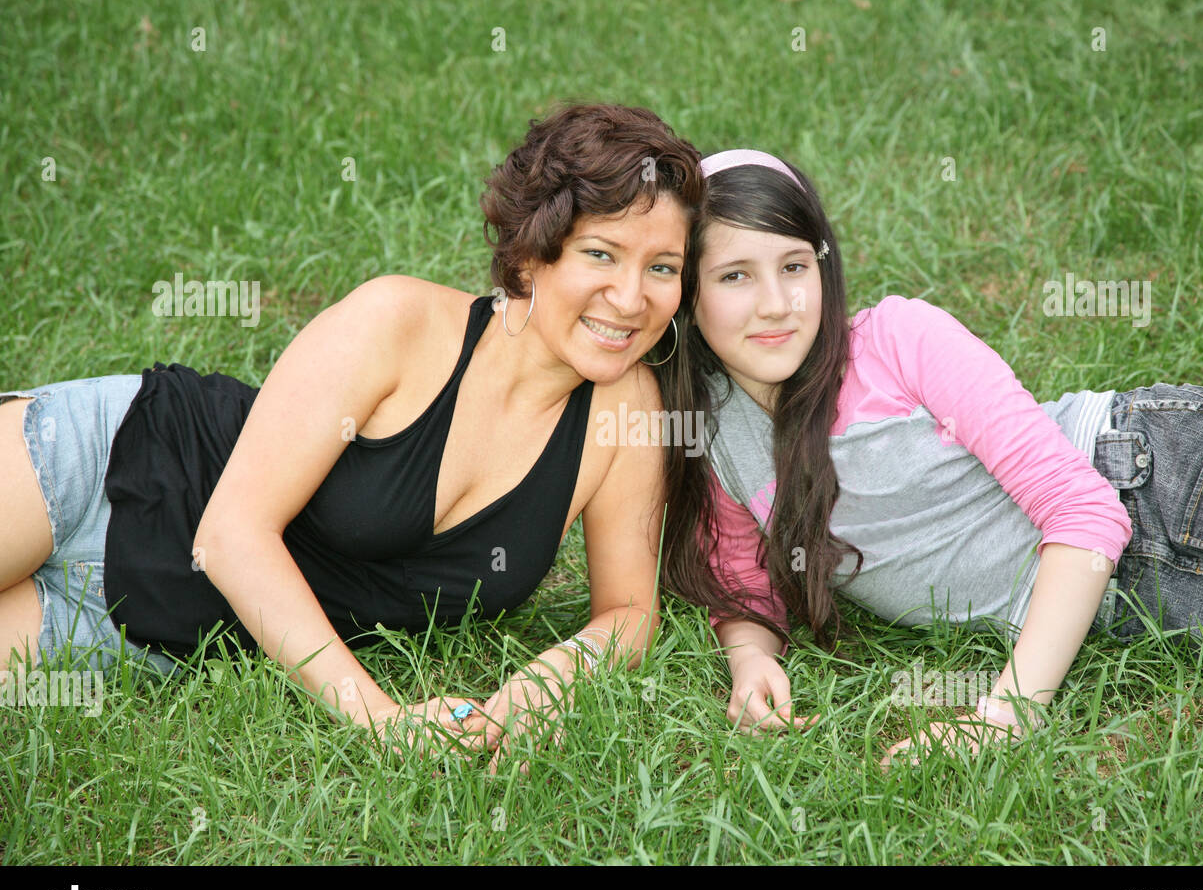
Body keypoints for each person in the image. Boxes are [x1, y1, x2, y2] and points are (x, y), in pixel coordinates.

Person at [0, 102, 704, 767]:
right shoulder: (396, 321)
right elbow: (232, 534)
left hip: (148, 629)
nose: (631, 298)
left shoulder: (625, 413)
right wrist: (381, 719)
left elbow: (627, 611)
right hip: (102, 465)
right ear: (531, 253)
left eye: (662, 268)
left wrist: (546, 683)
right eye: (601, 254)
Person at [655, 148, 1203, 766]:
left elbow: (1083, 509)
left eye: (795, 266)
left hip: (1164, 472)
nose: (776, 303)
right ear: (688, 293)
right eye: (735, 275)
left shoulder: (898, 341)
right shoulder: (715, 433)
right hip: (1128, 598)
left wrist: (1007, 714)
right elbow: (744, 576)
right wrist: (751, 658)